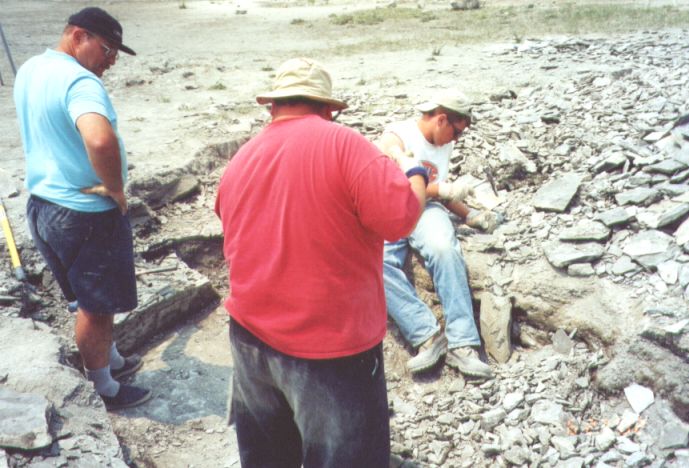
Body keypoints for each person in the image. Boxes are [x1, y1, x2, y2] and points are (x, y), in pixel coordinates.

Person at [215, 57, 427, 467]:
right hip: (329, 349)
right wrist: (413, 169)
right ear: (328, 108)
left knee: (267, 459)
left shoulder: (243, 157)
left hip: (249, 339)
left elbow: (229, 219)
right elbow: (401, 218)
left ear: (273, 106)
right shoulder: (345, 145)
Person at [14, 7, 151, 410]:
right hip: (84, 213)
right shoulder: (80, 81)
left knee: (85, 296)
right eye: (107, 50)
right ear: (78, 36)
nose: (111, 61)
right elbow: (100, 140)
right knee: (96, 307)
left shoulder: (32, 68)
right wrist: (114, 188)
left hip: (44, 206)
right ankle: (104, 387)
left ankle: (111, 359)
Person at [377, 91, 500, 380]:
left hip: (426, 210)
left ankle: (463, 342)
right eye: (456, 132)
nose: (456, 139)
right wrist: (441, 188)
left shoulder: (444, 142)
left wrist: (469, 214)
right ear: (441, 119)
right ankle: (426, 335)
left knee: (444, 249)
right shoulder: (399, 133)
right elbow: (393, 164)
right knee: (375, 264)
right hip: (391, 207)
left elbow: (436, 190)